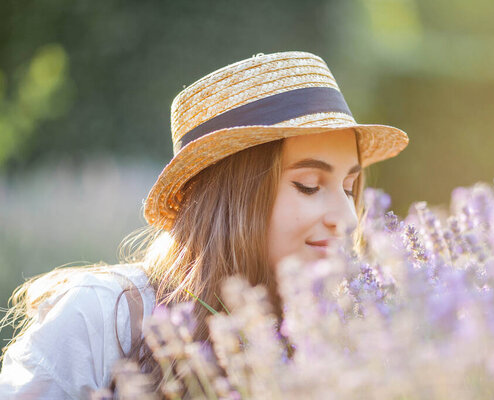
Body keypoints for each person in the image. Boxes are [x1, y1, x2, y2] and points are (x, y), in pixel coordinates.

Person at [0, 51, 409, 398]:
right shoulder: (104, 315)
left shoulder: (355, 333)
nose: (348, 217)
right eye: (308, 185)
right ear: (232, 199)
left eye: (350, 186)